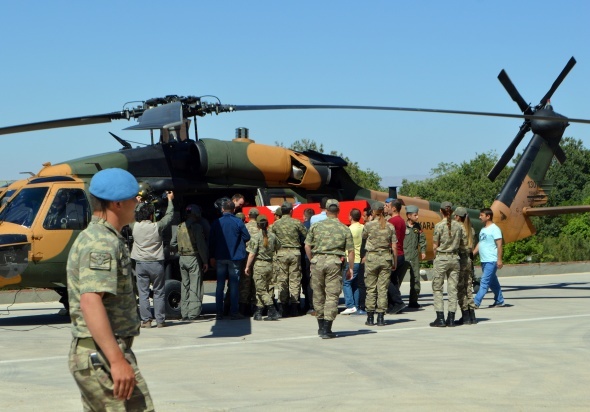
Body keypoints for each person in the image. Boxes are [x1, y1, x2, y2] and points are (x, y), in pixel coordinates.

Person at [67, 168, 154, 410]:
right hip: (102, 356)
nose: (138, 202)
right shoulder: (102, 243)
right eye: (133, 197)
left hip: (99, 352)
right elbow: (90, 301)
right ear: (117, 203)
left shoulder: (100, 236)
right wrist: (116, 361)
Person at [305, 199, 354, 338]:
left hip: (317, 261)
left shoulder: (315, 226)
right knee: (332, 296)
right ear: (338, 211)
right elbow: (350, 251)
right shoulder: (344, 228)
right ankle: (327, 328)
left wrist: (312, 261)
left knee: (318, 294)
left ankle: (320, 326)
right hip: (334, 262)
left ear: (326, 210)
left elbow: (307, 246)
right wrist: (350, 268)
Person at [130, 191, 175, 328]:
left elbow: (130, 215)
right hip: (156, 263)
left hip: (140, 263)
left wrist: (137, 203)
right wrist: (170, 200)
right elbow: (169, 216)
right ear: (151, 215)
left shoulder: (134, 226)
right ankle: (160, 320)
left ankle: (146, 320)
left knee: (143, 293)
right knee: (159, 292)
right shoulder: (157, 226)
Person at [209, 199, 251, 320]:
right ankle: (234, 312)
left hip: (220, 257)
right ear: (233, 210)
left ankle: (219, 313)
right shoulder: (238, 222)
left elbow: (211, 241)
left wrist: (211, 256)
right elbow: (246, 236)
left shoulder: (216, 222)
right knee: (234, 285)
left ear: (222, 209)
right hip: (235, 258)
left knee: (220, 285)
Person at [430, 201, 467, 328]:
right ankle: (451, 318)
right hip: (455, 258)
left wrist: (435, 257)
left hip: (441, 258)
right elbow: (464, 243)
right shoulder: (458, 226)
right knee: (453, 289)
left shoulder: (439, 226)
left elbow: (435, 245)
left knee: (438, 288)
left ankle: (440, 318)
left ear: (441, 211)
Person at [171, 204, 209, 321]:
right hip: (193, 257)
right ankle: (193, 313)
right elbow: (201, 246)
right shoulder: (196, 227)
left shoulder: (179, 226)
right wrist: (205, 261)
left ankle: (184, 312)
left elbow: (172, 243)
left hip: (182, 258)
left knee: (184, 285)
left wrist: (181, 249)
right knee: (195, 285)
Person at [362, 202, 397, 326]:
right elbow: (394, 246)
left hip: (372, 257)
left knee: (371, 288)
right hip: (386, 258)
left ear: (373, 212)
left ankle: (370, 317)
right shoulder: (390, 226)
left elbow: (364, 237)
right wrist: (395, 262)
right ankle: (381, 317)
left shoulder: (368, 225)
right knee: (382, 289)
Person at [270, 201, 308, 317]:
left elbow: (271, 238)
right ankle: (295, 307)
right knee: (294, 280)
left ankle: (283, 307)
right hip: (295, 253)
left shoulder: (275, 224)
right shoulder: (297, 223)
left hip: (281, 253)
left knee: (282, 280)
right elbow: (306, 236)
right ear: (291, 211)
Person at [244, 214, 281, 321]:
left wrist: (247, 266)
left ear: (257, 225)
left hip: (259, 265)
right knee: (266, 289)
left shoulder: (256, 237)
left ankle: (272, 309)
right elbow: (278, 246)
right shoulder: (273, 236)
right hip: (270, 265)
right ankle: (259, 311)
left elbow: (251, 254)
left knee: (260, 289)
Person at [472, 207, 506, 309]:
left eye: (481, 215)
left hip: (492, 260)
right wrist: (472, 254)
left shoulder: (495, 229)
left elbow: (499, 245)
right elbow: (480, 244)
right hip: (484, 260)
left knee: (484, 282)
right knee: (493, 282)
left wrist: (499, 259)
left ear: (488, 216)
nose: (479, 217)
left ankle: (476, 302)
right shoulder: (483, 230)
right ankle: (499, 301)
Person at [453, 207, 477, 325]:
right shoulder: (470, 229)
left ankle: (465, 315)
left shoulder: (458, 228)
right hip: (469, 259)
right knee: (468, 287)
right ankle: (472, 315)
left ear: (458, 216)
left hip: (461, 259)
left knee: (460, 288)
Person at [403, 205, 427, 308]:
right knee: (398, 278)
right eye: (415, 215)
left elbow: (422, 239)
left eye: (417, 215)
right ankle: (394, 301)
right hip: (403, 255)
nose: (417, 217)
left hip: (414, 255)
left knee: (416, 278)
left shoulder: (418, 227)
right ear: (408, 215)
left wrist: (423, 250)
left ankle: (413, 301)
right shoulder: (402, 226)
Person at [341, 208, 363, 315]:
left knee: (346, 282)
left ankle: (350, 305)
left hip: (351, 259)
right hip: (360, 259)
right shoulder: (363, 228)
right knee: (355, 284)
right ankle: (357, 305)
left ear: (350, 217)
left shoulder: (349, 229)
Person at [239, 208, 261, 315]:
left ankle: (244, 307)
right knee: (256, 282)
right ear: (258, 216)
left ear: (248, 216)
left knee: (245, 282)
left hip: (246, 256)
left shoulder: (245, 226)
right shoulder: (260, 227)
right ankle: (256, 305)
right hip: (258, 257)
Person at [386, 199, 405, 314]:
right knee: (393, 280)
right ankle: (393, 305)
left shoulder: (392, 221)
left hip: (394, 254)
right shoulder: (402, 221)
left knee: (387, 280)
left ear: (394, 208)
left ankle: (398, 302)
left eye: (388, 206)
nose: (386, 208)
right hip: (400, 253)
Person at [301, 208, 315, 314]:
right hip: (316, 256)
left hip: (305, 257)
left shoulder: (303, 226)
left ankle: (308, 304)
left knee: (306, 281)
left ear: (304, 216)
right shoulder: (317, 226)